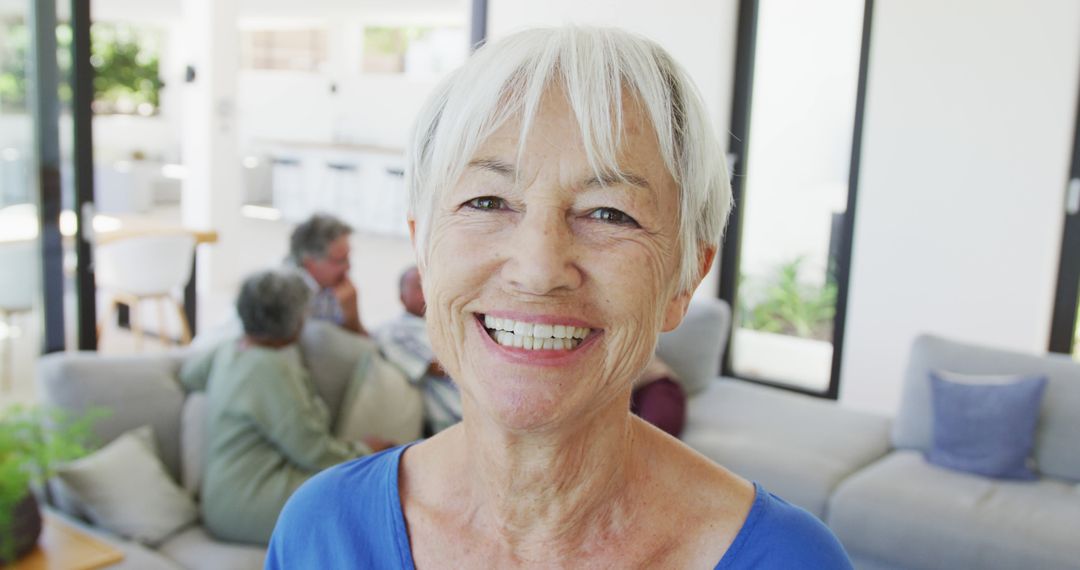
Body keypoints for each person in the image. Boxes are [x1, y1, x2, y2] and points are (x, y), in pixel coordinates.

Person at [268, 26, 852, 568]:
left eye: (608, 212)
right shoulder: (323, 531)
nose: (538, 269)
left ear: (685, 280)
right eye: (488, 202)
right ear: (423, 248)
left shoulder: (790, 559)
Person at [179, 268, 389, 545]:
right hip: (248, 501)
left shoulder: (229, 350)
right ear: (292, 322)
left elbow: (189, 375)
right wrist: (367, 451)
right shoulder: (272, 371)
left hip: (222, 495)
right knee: (368, 495)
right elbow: (313, 451)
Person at [376, 266, 463, 435]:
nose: (429, 290)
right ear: (402, 297)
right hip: (456, 419)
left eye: (432, 283)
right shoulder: (397, 331)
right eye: (419, 286)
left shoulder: (446, 322)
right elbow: (439, 368)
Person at [287, 213, 366, 335]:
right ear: (310, 262)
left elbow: (361, 343)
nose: (348, 267)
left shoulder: (334, 287)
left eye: (348, 258)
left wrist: (352, 316)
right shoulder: (283, 294)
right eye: (341, 260)